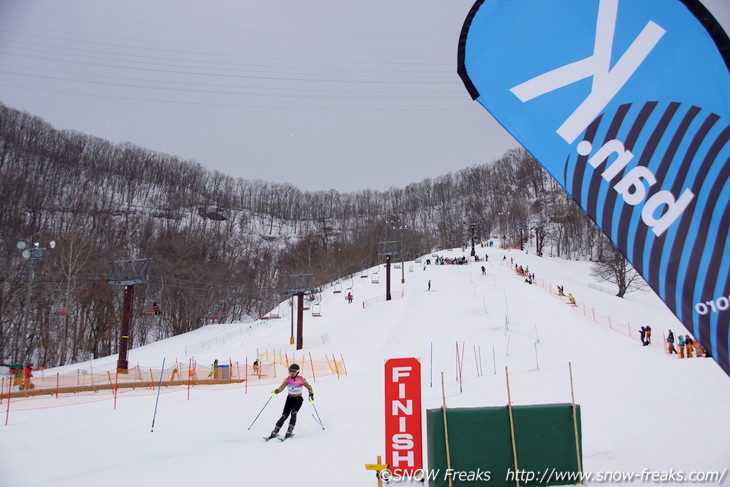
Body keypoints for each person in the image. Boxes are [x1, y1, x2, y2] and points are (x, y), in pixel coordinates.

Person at [267, 364, 314, 439]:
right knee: (284, 415)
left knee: (294, 413)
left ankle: (290, 430)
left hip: (298, 399)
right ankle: (276, 430)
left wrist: (311, 394)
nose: (292, 373)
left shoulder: (302, 380)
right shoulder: (287, 379)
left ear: (297, 372)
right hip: (289, 399)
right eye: (290, 371)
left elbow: (309, 387)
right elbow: (281, 387)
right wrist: (277, 391)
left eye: (293, 371)